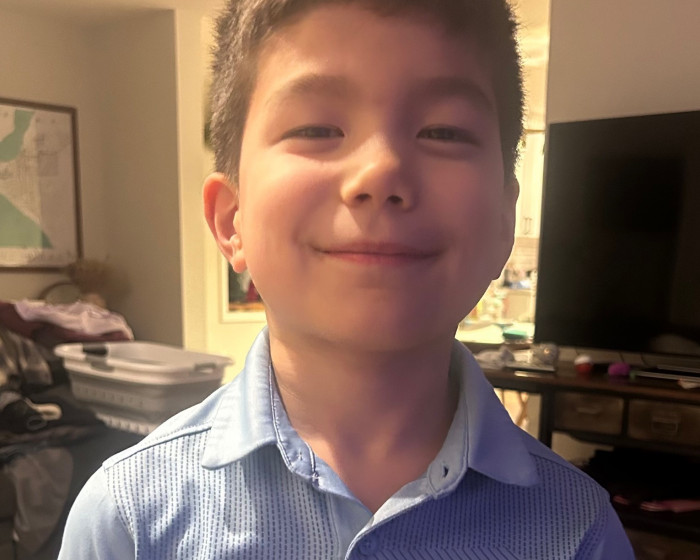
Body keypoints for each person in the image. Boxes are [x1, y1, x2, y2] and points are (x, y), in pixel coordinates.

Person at [58, 0, 635, 558]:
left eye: (444, 132)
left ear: (505, 219)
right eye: (316, 128)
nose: (380, 170)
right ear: (232, 221)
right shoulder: (129, 520)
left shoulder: (580, 532)